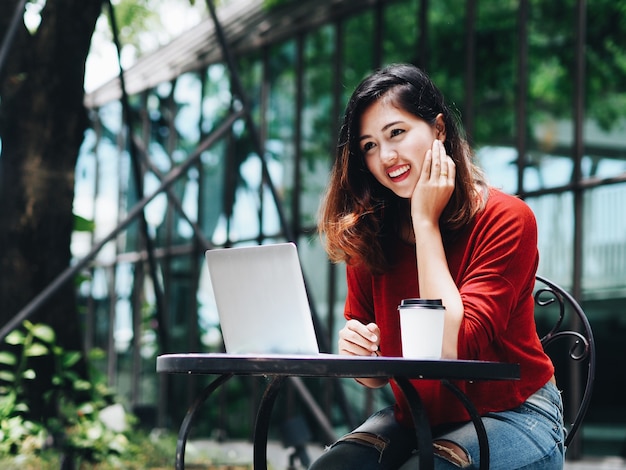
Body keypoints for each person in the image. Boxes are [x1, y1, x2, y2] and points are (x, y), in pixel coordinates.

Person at [311, 63, 564, 469]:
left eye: (396, 133)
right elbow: (373, 375)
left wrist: (424, 222)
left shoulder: (507, 218)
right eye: (369, 146)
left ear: (440, 129)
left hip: (517, 415)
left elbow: (452, 349)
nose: (386, 156)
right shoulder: (370, 232)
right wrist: (361, 355)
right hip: (419, 417)